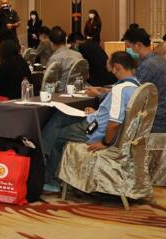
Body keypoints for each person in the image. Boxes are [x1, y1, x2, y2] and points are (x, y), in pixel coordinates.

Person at [41, 51, 140, 193]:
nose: (109, 70)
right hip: (98, 122)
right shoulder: (137, 86)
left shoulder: (120, 89)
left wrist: (105, 142)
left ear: (117, 67)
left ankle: (50, 178)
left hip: (95, 131)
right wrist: (98, 113)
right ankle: (43, 154)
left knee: (56, 136)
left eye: (110, 66)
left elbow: (115, 123)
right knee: (60, 117)